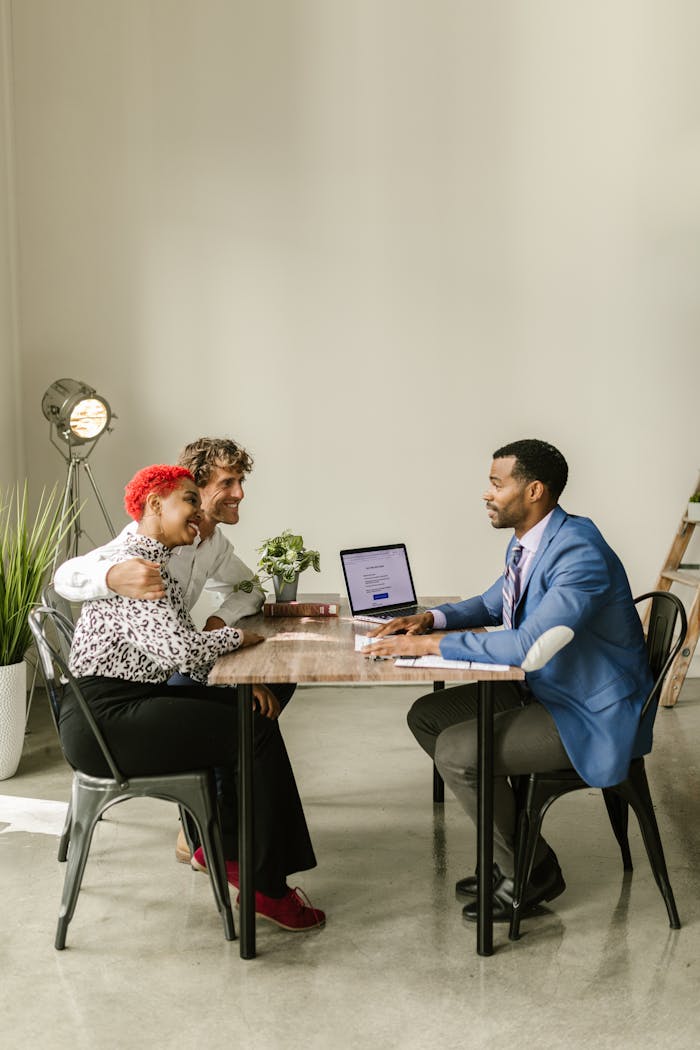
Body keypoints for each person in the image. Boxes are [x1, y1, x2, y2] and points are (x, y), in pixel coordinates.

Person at [365, 439, 653, 923]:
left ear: (534, 489)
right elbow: (495, 600)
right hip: (549, 687)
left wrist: (428, 648)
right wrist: (429, 620)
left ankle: (529, 870)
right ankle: (516, 854)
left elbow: (527, 644)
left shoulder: (578, 552)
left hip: (589, 711)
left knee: (457, 752)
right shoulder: (534, 540)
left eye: (497, 484)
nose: (487, 494)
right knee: (428, 717)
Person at [62, 464, 325, 931]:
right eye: (188, 499)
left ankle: (225, 849)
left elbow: (180, 644)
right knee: (254, 732)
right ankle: (265, 885)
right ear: (155, 505)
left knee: (252, 715)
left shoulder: (155, 559)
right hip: (107, 722)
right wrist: (239, 640)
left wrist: (244, 679)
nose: (198, 511)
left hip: (119, 706)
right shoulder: (136, 568)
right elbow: (182, 649)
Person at [54, 436, 292, 863]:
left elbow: (246, 590)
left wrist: (220, 623)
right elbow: (65, 577)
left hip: (145, 682)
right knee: (248, 725)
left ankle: (223, 835)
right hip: (114, 705)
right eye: (228, 483)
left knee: (262, 698)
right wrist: (111, 577)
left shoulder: (202, 545)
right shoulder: (138, 557)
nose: (239, 494)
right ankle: (219, 844)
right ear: (173, 498)